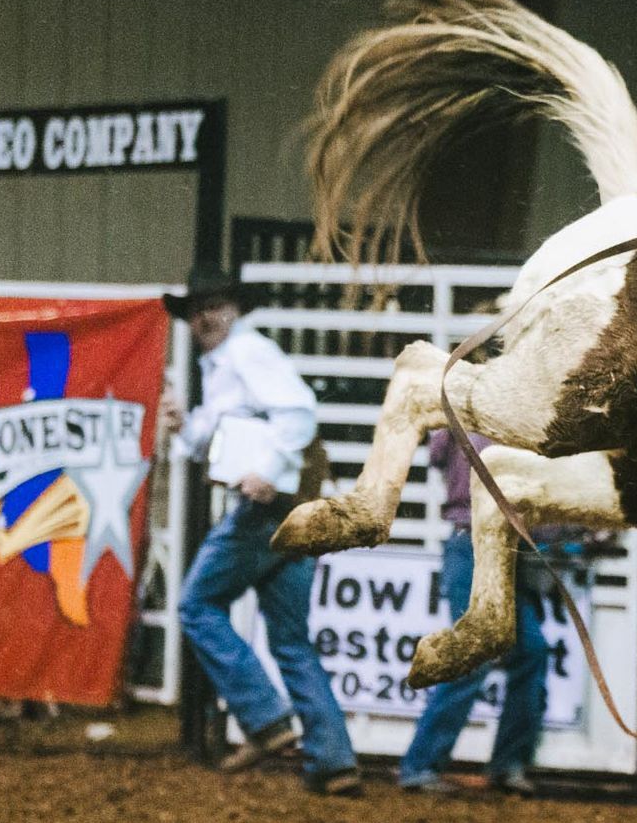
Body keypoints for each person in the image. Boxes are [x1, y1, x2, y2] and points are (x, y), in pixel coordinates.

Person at [160, 265, 361, 796]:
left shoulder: (247, 353)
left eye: (214, 306)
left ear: (234, 309)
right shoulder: (228, 363)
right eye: (197, 309)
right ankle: (333, 760)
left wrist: (269, 474)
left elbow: (298, 413)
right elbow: (228, 436)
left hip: (269, 506)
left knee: (196, 604)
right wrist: (189, 428)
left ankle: (266, 720)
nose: (204, 317)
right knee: (291, 638)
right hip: (300, 505)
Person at [397, 430, 553, 796]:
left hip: (504, 546)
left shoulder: (501, 423)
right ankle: (421, 764)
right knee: (475, 655)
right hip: (473, 541)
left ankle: (507, 763)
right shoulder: (467, 418)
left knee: (530, 651)